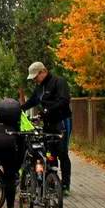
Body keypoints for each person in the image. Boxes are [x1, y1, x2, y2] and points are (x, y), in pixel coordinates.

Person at [21, 62, 72, 194]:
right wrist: (18, 109)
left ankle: (65, 185)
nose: (34, 80)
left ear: (43, 72)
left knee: (62, 152)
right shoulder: (39, 87)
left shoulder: (58, 82)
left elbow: (64, 100)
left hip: (61, 121)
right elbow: (32, 101)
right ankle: (53, 181)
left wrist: (46, 111)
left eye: (35, 77)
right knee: (50, 152)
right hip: (48, 123)